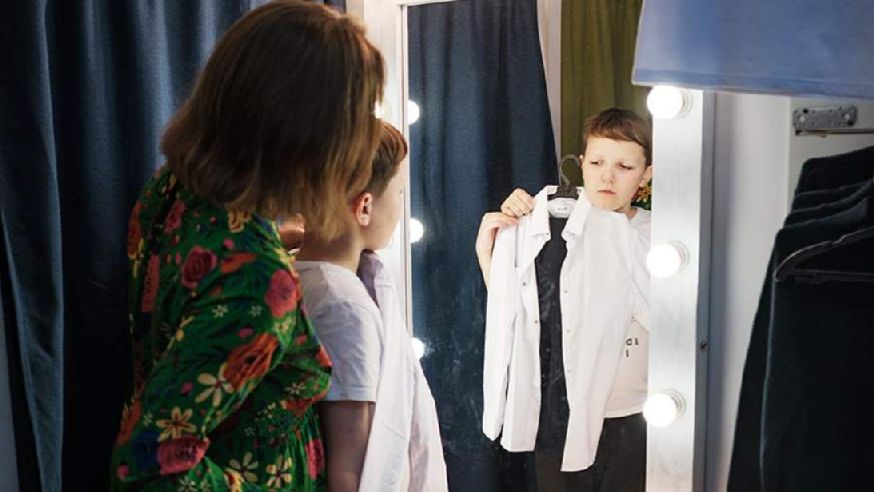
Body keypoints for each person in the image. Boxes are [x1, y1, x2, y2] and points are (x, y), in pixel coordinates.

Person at [110, 2, 385, 490]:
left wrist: (270, 244)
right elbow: (151, 464)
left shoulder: (175, 189)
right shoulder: (259, 283)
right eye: (357, 117)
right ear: (311, 137)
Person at [476, 108, 653, 491]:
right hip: (560, 409)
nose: (607, 176)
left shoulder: (657, 236)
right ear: (582, 163)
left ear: (646, 174)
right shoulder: (543, 224)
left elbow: (669, 321)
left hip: (634, 411)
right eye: (597, 163)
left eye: (624, 166)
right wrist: (491, 255)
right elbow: (517, 313)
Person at [295, 121, 448, 492]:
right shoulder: (345, 305)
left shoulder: (294, 273)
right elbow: (352, 466)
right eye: (400, 191)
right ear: (364, 206)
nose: (401, 205)